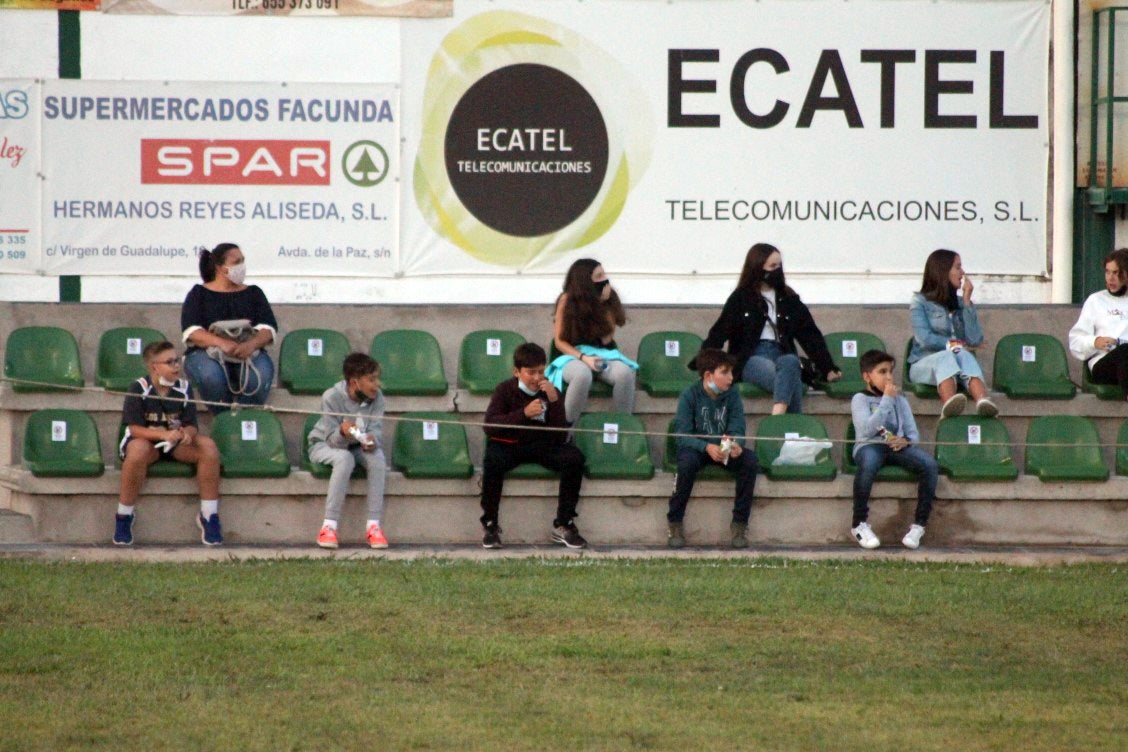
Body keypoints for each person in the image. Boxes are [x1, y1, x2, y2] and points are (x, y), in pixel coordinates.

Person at [698, 242, 841, 415]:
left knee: (791, 362)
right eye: (773, 266)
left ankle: (778, 418)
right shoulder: (741, 298)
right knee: (790, 381)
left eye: (779, 265)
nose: (778, 270)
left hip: (782, 353)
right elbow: (720, 331)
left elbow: (810, 334)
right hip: (751, 357)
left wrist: (827, 367)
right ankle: (790, 428)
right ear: (758, 268)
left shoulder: (788, 297)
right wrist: (703, 365)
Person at [114, 340, 223, 546]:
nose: (176, 366)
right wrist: (163, 435)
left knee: (208, 447)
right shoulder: (139, 387)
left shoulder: (184, 388)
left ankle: (209, 516)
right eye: (170, 362)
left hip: (175, 444)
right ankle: (124, 516)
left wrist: (186, 433)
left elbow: (192, 424)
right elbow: (134, 428)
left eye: (177, 360)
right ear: (155, 367)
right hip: (147, 443)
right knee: (136, 450)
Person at [481, 343, 587, 549]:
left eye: (541, 371)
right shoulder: (505, 390)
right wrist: (523, 414)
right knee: (492, 460)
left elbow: (560, 434)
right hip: (511, 444)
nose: (537, 378)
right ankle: (490, 524)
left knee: (574, 458)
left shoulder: (551, 391)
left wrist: (555, 402)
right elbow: (490, 426)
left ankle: (564, 524)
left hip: (542, 445)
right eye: (531, 372)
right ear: (517, 372)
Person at [666, 348, 759, 549]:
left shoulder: (732, 394)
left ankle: (739, 524)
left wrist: (735, 444)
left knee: (749, 461)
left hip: (722, 448)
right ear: (708, 375)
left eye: (731, 372)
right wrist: (705, 446)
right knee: (686, 464)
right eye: (724, 373)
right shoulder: (689, 395)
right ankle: (675, 522)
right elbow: (681, 435)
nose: (731, 378)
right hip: (697, 449)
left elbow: (738, 427)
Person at [850, 349, 940, 550]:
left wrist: (905, 441)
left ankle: (919, 525)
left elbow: (913, 433)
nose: (889, 377)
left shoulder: (901, 400)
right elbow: (865, 430)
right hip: (869, 446)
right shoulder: (860, 399)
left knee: (929, 465)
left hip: (897, 448)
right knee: (869, 463)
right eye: (882, 372)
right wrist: (887, 400)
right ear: (867, 376)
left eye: (890, 371)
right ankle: (859, 524)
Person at [182, 243, 278, 412]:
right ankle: (225, 421)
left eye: (243, 261)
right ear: (221, 268)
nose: (242, 266)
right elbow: (192, 331)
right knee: (211, 377)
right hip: (207, 353)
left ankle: (246, 417)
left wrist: (251, 345)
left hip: (248, 352)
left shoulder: (254, 293)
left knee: (261, 376)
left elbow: (268, 329)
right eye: (236, 262)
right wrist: (222, 343)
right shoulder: (199, 294)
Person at [308, 353, 389, 549]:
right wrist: (343, 433)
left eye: (377, 378)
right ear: (354, 382)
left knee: (377, 458)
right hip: (324, 445)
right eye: (371, 379)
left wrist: (371, 440)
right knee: (344, 459)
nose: (376, 384)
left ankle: (374, 526)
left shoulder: (377, 399)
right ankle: (329, 526)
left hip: (356, 446)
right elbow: (331, 440)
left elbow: (376, 430)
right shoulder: (331, 397)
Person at [908, 248, 998, 418]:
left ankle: (983, 402)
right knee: (948, 355)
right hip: (923, 363)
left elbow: (974, 339)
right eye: (958, 267)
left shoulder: (959, 303)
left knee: (964, 355)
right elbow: (924, 339)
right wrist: (955, 344)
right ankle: (950, 407)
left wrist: (966, 302)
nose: (963, 273)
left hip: (957, 363)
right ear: (943, 271)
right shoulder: (920, 301)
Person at [547, 258, 638, 424]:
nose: (605, 278)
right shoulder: (566, 300)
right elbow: (559, 341)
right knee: (582, 374)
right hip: (572, 355)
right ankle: (566, 428)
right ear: (585, 279)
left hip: (600, 353)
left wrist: (604, 304)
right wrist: (584, 358)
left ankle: (623, 425)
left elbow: (606, 339)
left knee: (625, 373)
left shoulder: (608, 298)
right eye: (599, 275)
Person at [1069, 248, 1128, 398]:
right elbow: (1075, 341)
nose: (1111, 278)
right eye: (1108, 272)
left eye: (1117, 273)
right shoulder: (1096, 300)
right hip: (1105, 365)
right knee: (1125, 351)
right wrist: (1095, 342)